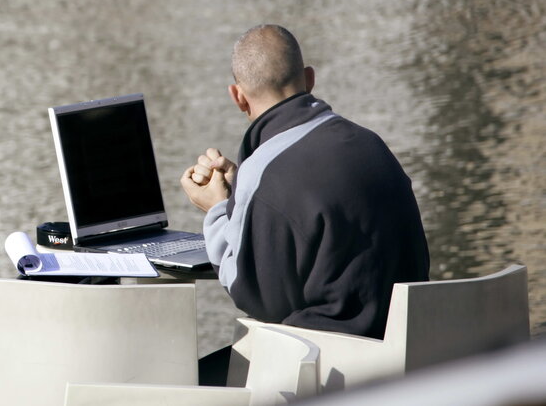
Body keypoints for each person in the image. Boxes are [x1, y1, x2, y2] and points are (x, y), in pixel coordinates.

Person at [181, 24, 430, 346]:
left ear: (238, 97)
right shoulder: (370, 144)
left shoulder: (266, 173)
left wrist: (216, 210)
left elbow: (257, 298)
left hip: (335, 360)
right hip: (413, 347)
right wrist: (242, 193)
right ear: (309, 79)